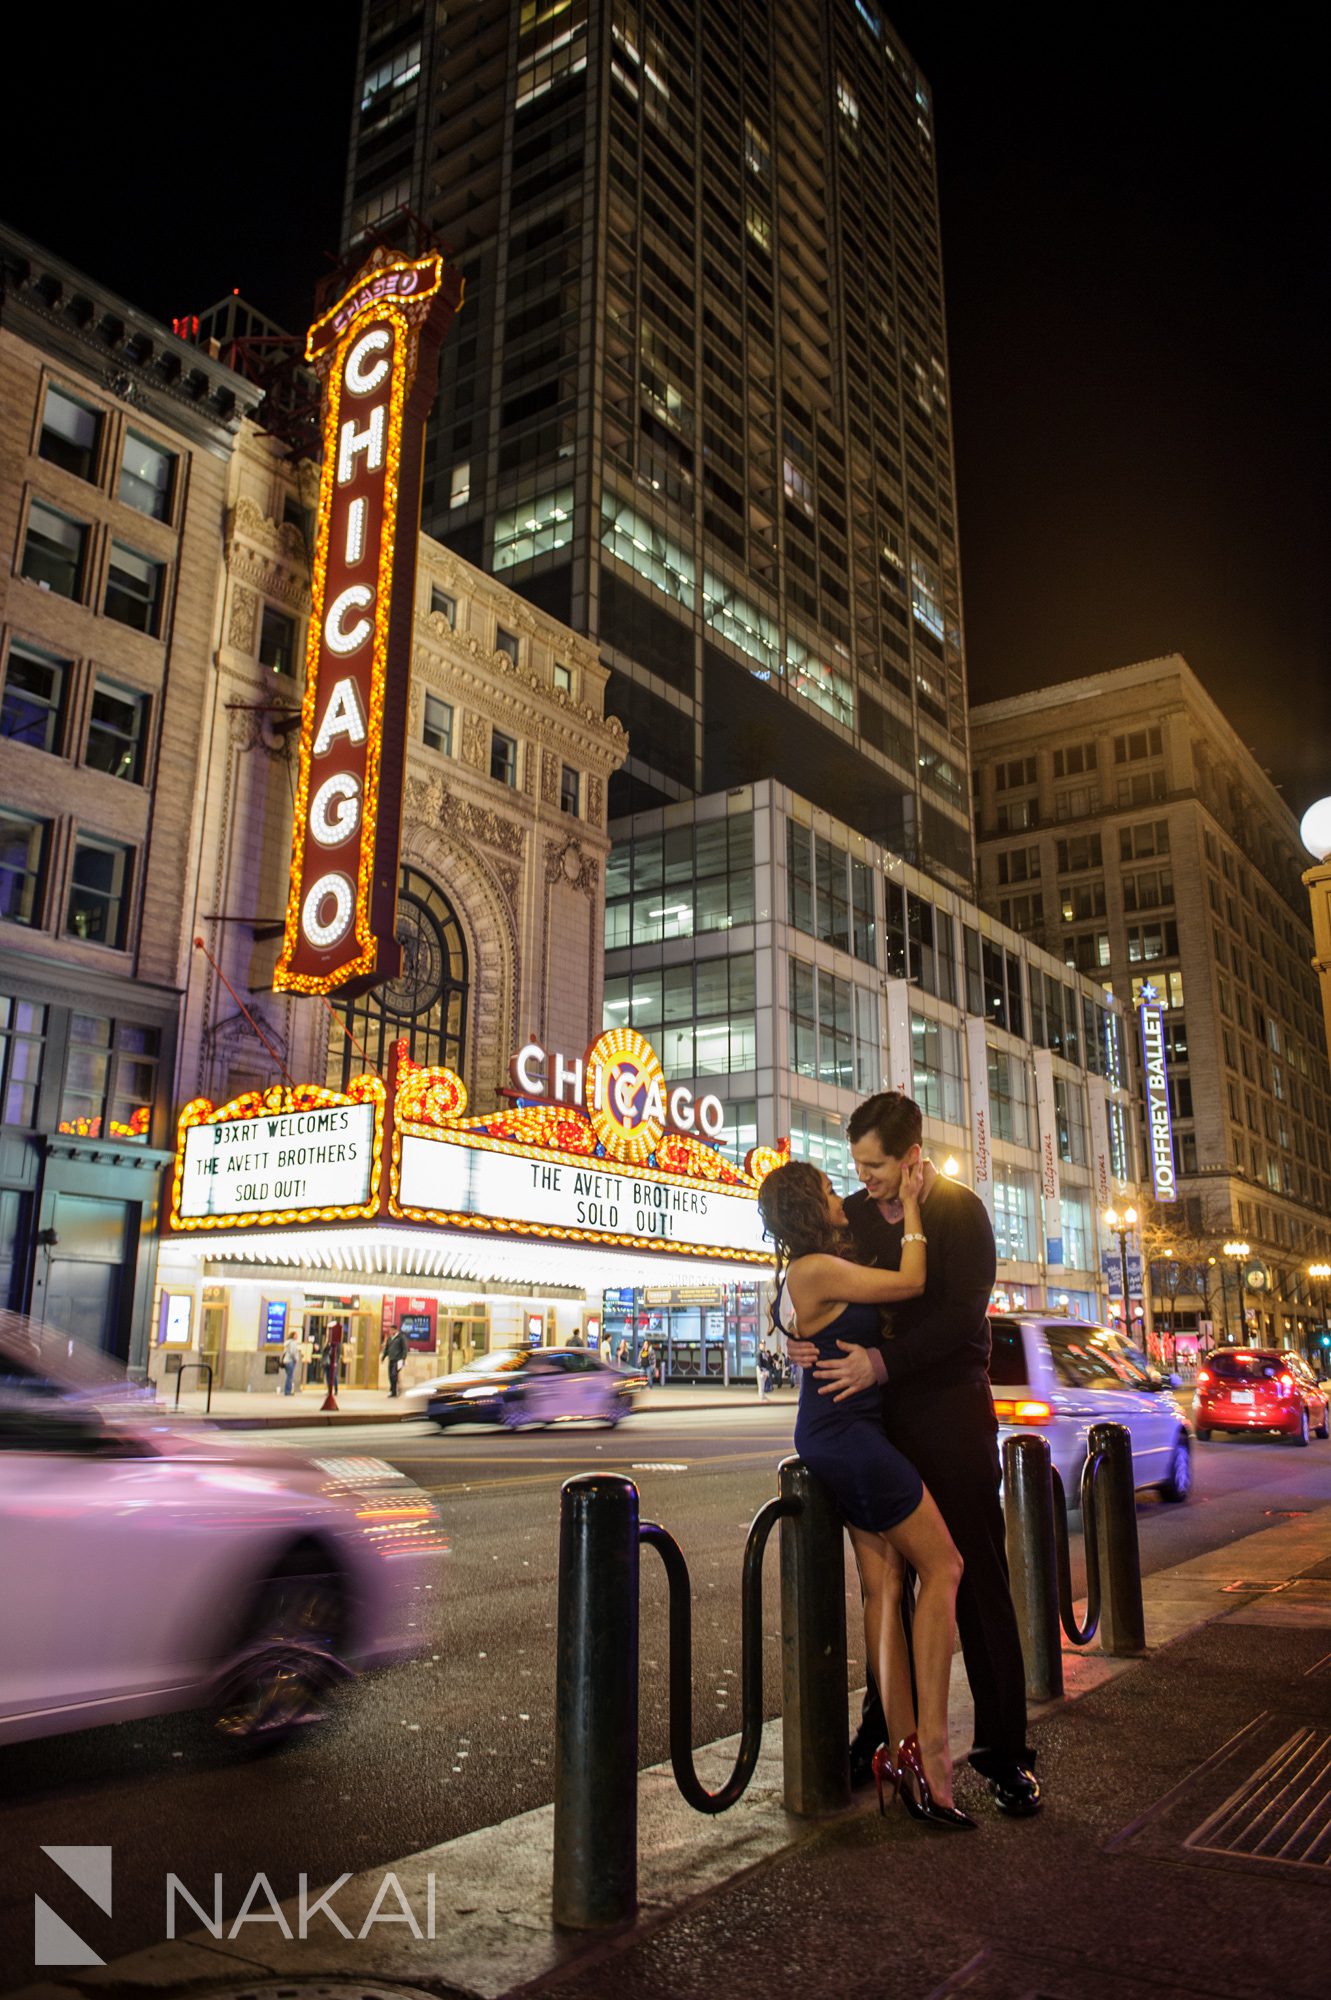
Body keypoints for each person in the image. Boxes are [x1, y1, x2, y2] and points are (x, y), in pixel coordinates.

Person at [784, 1091, 1041, 1819]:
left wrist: (882, 1364)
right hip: (873, 1424)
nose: (862, 1179)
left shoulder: (960, 1210)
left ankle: (1002, 1753)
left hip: (949, 1413)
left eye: (874, 1166)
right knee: (887, 1584)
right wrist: (792, 1338)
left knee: (976, 1576)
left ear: (910, 1158)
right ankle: (882, 1736)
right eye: (855, 1166)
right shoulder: (857, 1220)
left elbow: (962, 1319)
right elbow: (814, 1288)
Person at [759, 1156, 973, 1828]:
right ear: (805, 1206)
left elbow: (792, 1322)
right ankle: (932, 1755)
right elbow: (911, 1281)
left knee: (884, 1589)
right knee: (944, 1566)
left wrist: (791, 1338)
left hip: (839, 1430)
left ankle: (899, 1750)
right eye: (824, 1189)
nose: (837, 1195)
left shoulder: (808, 1269)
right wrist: (911, 1201)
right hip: (849, 1438)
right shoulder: (814, 1268)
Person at [383, 1325, 408, 1397]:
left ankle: (394, 1391)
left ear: (395, 1330)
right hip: (391, 1359)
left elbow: (405, 1348)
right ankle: (394, 1390)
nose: (390, 1332)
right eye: (389, 1330)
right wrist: (383, 1357)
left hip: (397, 1360)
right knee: (390, 1376)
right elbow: (387, 1349)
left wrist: (403, 1358)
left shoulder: (401, 1337)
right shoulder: (390, 1338)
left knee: (394, 1375)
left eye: (391, 1330)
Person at [280, 1331, 302, 1396]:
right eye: (296, 1335)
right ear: (293, 1336)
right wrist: (295, 1359)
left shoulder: (287, 1343)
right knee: (290, 1377)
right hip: (290, 1361)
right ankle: (287, 1391)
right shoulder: (292, 1343)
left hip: (286, 1361)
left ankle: (287, 1390)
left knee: (288, 1376)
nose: (297, 1336)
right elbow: (293, 1352)